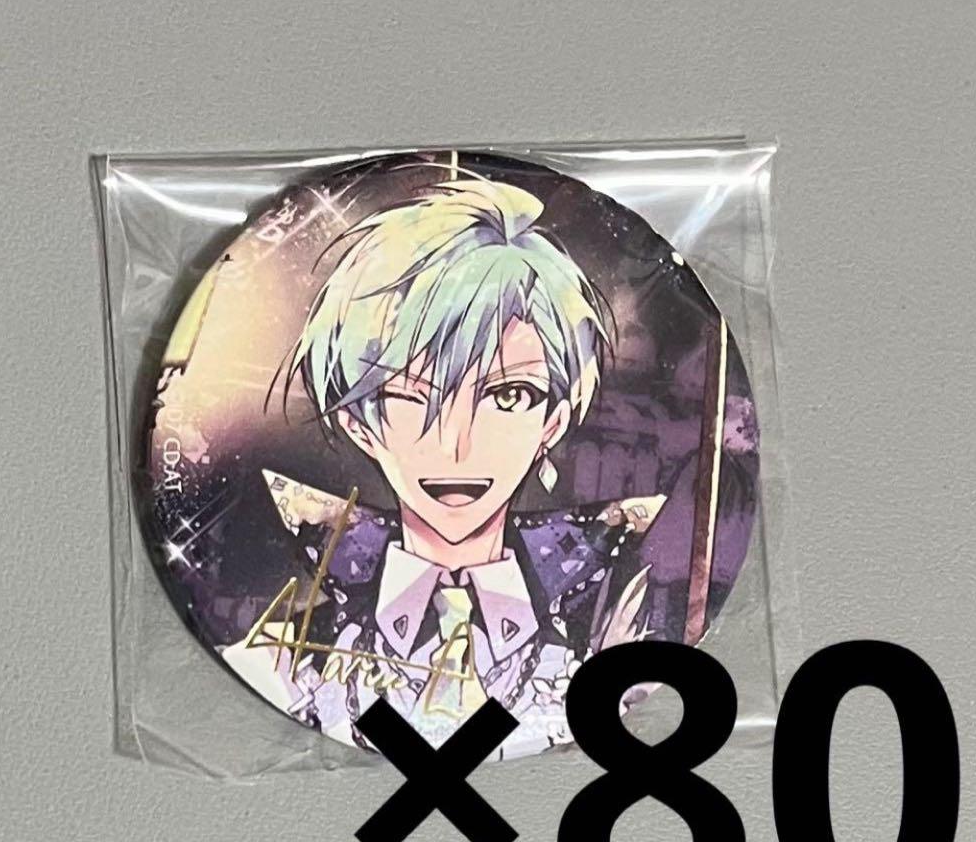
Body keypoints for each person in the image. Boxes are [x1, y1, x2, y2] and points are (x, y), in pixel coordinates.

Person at [221, 175, 665, 757]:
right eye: (410, 395)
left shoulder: (614, 656)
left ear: (552, 423)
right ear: (358, 422)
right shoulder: (281, 663)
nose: (458, 445)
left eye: (508, 395)